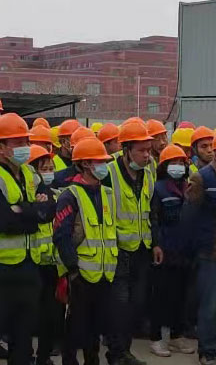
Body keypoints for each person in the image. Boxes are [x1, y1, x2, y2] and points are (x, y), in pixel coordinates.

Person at [0, 113, 56, 364]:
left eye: (26, 142)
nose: (24, 147)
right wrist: (33, 210)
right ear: (0, 147)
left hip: (28, 268)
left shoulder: (31, 174)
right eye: (18, 143)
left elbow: (49, 209)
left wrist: (21, 209)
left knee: (23, 339)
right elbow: (3, 221)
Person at [53, 137, 118, 365]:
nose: (103, 166)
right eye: (99, 161)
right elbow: (61, 236)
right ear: (85, 164)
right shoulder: (70, 195)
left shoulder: (107, 193)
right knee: (75, 327)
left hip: (105, 273)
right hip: (80, 274)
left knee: (95, 328)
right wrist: (73, 270)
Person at [104, 122, 155, 365]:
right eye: (141, 150)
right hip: (117, 250)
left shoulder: (149, 170)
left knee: (136, 304)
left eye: (149, 150)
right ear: (126, 150)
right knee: (119, 306)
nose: (147, 155)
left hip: (141, 249)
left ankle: (124, 350)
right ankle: (117, 353)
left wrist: (156, 242)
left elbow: (152, 209)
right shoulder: (109, 172)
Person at [148, 145, 195, 358]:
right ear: (164, 166)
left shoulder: (189, 187)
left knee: (181, 296)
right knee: (161, 296)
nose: (178, 166)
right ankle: (156, 338)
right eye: (173, 163)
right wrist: (156, 244)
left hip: (185, 251)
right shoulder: (158, 189)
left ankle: (177, 336)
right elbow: (154, 219)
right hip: (165, 250)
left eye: (181, 163)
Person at [182, 136, 216, 365]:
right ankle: (207, 350)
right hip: (209, 253)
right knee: (210, 306)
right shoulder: (202, 178)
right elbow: (189, 218)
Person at [27, 144, 61, 365]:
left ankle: (44, 356)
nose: (48, 173)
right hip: (30, 263)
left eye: (51, 168)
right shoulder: (25, 196)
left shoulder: (57, 195)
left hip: (52, 264)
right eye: (43, 169)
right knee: (28, 315)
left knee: (50, 313)